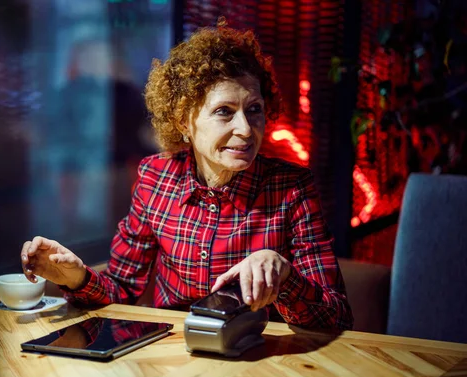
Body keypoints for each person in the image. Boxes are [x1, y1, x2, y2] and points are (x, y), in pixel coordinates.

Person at [21, 19, 354, 330]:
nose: (245, 129)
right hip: (175, 358)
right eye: (224, 112)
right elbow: (121, 291)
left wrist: (284, 276)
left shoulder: (291, 187)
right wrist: (76, 277)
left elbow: (335, 317)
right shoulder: (156, 178)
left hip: (258, 360)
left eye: (254, 110)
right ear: (184, 121)